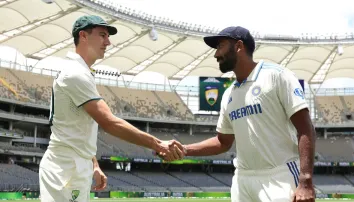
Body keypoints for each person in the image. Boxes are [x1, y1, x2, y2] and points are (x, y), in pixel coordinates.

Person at [39, 15, 185, 202]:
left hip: (73, 165)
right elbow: (109, 121)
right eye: (102, 35)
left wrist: (94, 164)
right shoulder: (75, 74)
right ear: (83, 36)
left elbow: (79, 130)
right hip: (66, 168)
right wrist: (158, 144)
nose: (108, 42)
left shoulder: (81, 72)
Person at [174, 26, 316, 202]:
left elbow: (306, 128)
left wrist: (306, 180)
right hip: (242, 180)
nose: (216, 54)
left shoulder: (277, 76)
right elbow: (223, 141)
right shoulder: (229, 94)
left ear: (239, 46)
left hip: (279, 176)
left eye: (221, 46)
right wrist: (185, 150)